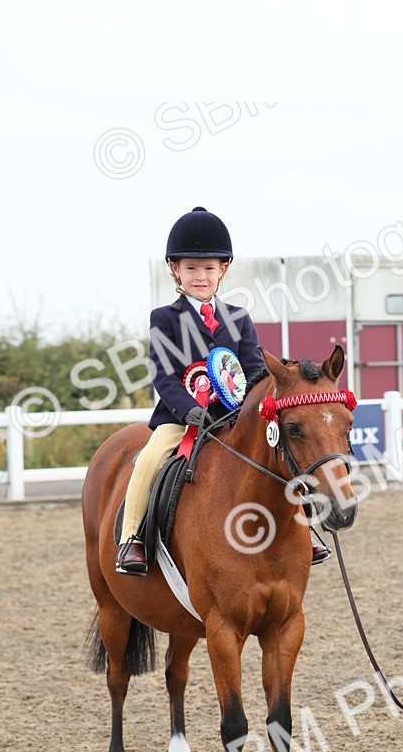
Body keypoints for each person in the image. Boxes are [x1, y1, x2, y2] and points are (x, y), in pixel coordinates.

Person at [116, 207, 333, 576]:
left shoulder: (239, 318)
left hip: (233, 420)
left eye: (208, 268)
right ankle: (133, 538)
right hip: (182, 420)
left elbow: (252, 371)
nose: (200, 276)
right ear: (175, 270)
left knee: (280, 454)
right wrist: (188, 411)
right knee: (150, 457)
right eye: (191, 268)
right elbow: (164, 376)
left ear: (223, 270)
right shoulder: (164, 319)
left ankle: (304, 528)